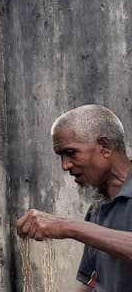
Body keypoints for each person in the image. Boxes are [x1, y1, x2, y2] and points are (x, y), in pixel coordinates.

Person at [17, 104, 132, 291]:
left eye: (71, 153)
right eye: (61, 156)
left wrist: (66, 226)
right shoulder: (98, 209)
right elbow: (91, 283)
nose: (65, 166)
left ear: (104, 147)